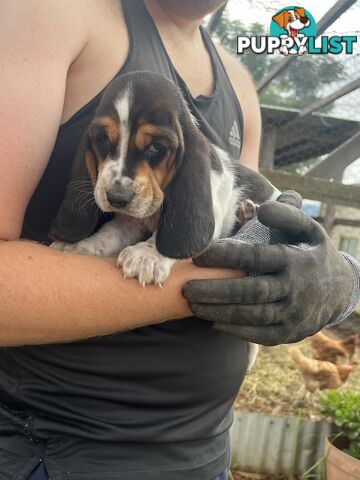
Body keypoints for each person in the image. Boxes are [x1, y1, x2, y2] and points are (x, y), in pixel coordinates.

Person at [0, 1, 358, 479]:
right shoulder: (50, 13)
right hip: (68, 453)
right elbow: (221, 262)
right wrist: (227, 279)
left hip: (207, 451)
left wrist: (335, 282)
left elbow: (224, 230)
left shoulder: (239, 84)